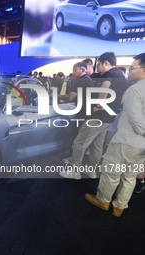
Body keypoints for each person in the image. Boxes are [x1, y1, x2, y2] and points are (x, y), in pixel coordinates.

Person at [85, 53, 145, 217]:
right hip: (140, 145)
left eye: (132, 68)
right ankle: (119, 206)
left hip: (127, 141)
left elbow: (135, 118)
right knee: (130, 176)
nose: (129, 72)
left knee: (111, 172)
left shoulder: (135, 89)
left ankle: (103, 200)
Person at [60, 52, 127, 180]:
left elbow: (104, 90)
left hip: (98, 116)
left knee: (79, 142)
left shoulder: (108, 75)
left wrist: (99, 105)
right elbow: (123, 96)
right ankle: (91, 171)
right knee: (97, 145)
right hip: (110, 117)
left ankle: (75, 171)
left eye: (99, 65)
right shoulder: (121, 76)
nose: (98, 69)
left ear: (106, 62)